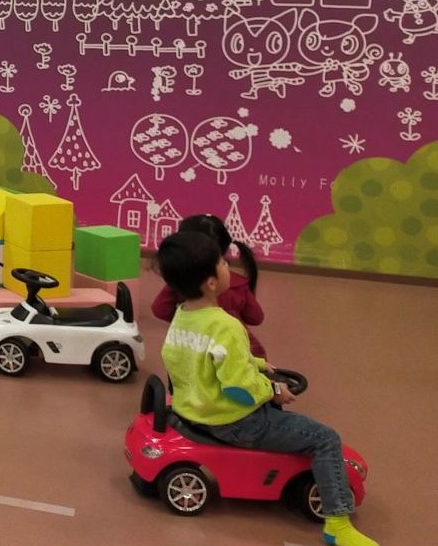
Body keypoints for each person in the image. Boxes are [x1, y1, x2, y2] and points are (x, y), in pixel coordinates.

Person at [156, 231, 376, 546]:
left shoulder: (182, 315)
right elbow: (239, 391)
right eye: (222, 262)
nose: (228, 266)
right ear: (211, 282)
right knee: (326, 439)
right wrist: (272, 390)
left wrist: (256, 364)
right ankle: (338, 525)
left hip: (193, 410)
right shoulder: (226, 326)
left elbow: (200, 360)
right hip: (235, 421)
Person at [152, 213, 265, 356]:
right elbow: (256, 318)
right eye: (223, 262)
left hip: (194, 350)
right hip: (239, 355)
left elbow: (159, 309)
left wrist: (189, 320)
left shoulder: (180, 284)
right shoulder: (238, 289)